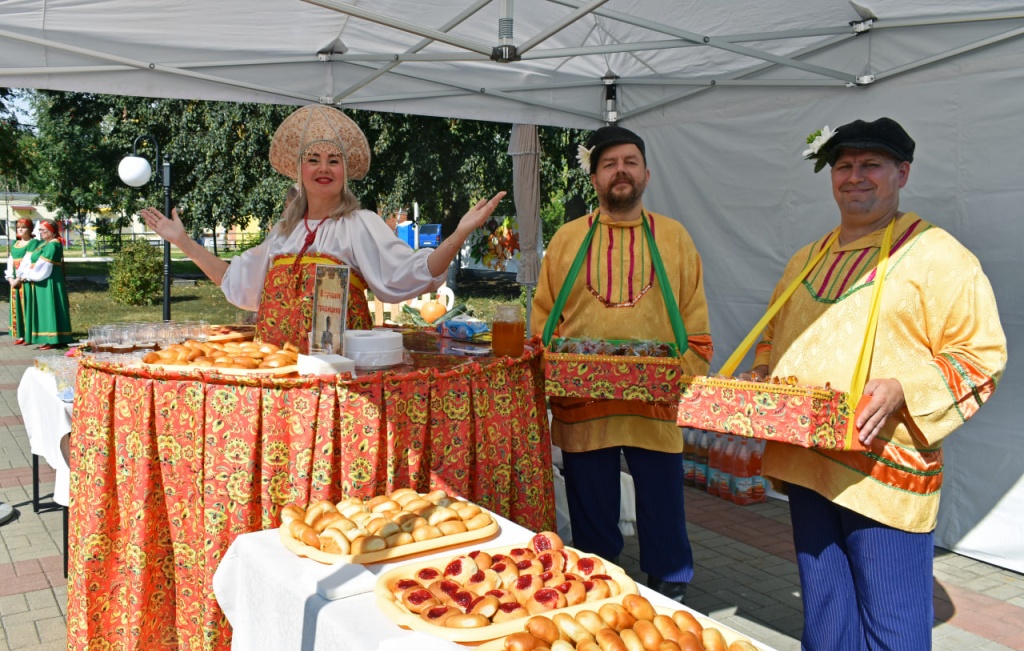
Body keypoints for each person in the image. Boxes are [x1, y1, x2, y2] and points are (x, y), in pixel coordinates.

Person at [751, 117, 1007, 651]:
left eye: (871, 165)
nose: (855, 178)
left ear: (902, 173)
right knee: (826, 615)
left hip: (886, 476)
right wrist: (764, 377)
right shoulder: (806, 259)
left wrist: (903, 389)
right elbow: (776, 338)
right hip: (807, 464)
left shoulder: (938, 256)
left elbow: (982, 354)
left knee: (893, 627)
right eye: (844, 166)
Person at [141, 104, 504, 352]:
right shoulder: (283, 232)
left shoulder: (360, 224)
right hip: (280, 371)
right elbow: (237, 281)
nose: (323, 168)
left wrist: (459, 234)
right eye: (313, 160)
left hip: (340, 374)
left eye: (333, 161)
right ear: (299, 171)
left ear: (345, 173)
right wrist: (183, 241)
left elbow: (413, 273)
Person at [531, 125, 714, 603]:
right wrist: (549, 374)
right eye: (609, 164)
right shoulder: (567, 239)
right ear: (593, 178)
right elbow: (542, 320)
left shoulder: (674, 238)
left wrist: (682, 378)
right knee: (593, 525)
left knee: (664, 516)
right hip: (582, 406)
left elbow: (695, 322)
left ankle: (670, 598)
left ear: (647, 174)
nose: (621, 171)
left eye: (630, 162)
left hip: (654, 410)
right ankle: (599, 599)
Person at [16, 220, 72, 349]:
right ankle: (54, 338)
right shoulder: (45, 244)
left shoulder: (53, 245)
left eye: (43, 230)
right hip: (43, 281)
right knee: (45, 308)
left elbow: (43, 266)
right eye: (40, 230)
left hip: (48, 280)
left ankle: (53, 338)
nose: (40, 232)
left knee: (49, 307)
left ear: (51, 231)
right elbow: (31, 259)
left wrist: (27, 275)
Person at [5, 218, 40, 345]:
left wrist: (19, 278)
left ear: (30, 229)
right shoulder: (15, 243)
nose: (20, 229)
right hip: (14, 280)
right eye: (18, 227)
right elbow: (10, 261)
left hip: (25, 280)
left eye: (23, 227)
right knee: (17, 307)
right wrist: (10, 278)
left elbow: (29, 261)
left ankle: (28, 335)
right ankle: (20, 334)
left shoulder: (33, 243)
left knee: (26, 307)